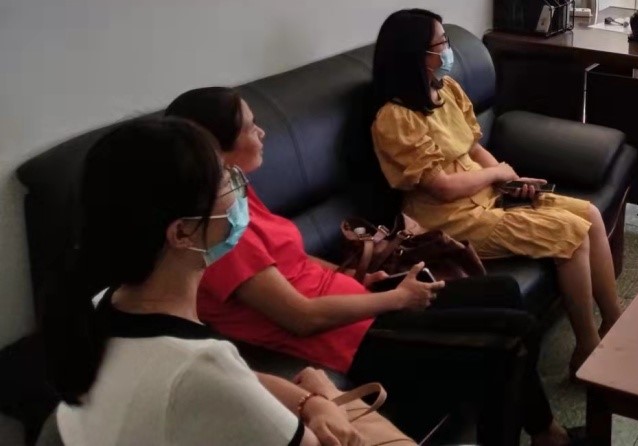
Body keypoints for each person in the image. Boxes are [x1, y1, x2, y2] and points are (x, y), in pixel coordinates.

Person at [165, 87, 575, 446]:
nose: (262, 132)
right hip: (346, 337)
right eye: (250, 127)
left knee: (503, 290)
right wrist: (396, 299)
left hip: (356, 301)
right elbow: (301, 318)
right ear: (213, 145)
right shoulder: (218, 232)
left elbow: (293, 257)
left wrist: (351, 275)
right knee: (514, 336)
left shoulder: (234, 189)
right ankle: (543, 432)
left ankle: (540, 430)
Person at [42, 117, 363, 446]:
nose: (239, 185)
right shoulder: (200, 364)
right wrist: (326, 394)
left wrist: (308, 402)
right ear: (182, 232)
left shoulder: (103, 307)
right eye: (224, 179)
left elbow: (237, 382)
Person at [371, 8, 623, 376]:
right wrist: (497, 174)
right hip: (449, 220)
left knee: (590, 214)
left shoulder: (446, 90)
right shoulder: (395, 118)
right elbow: (441, 187)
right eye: (441, 43)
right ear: (416, 55)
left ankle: (614, 322)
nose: (448, 50)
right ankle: (587, 348)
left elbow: (473, 148)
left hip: (487, 196)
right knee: (571, 234)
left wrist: (509, 180)